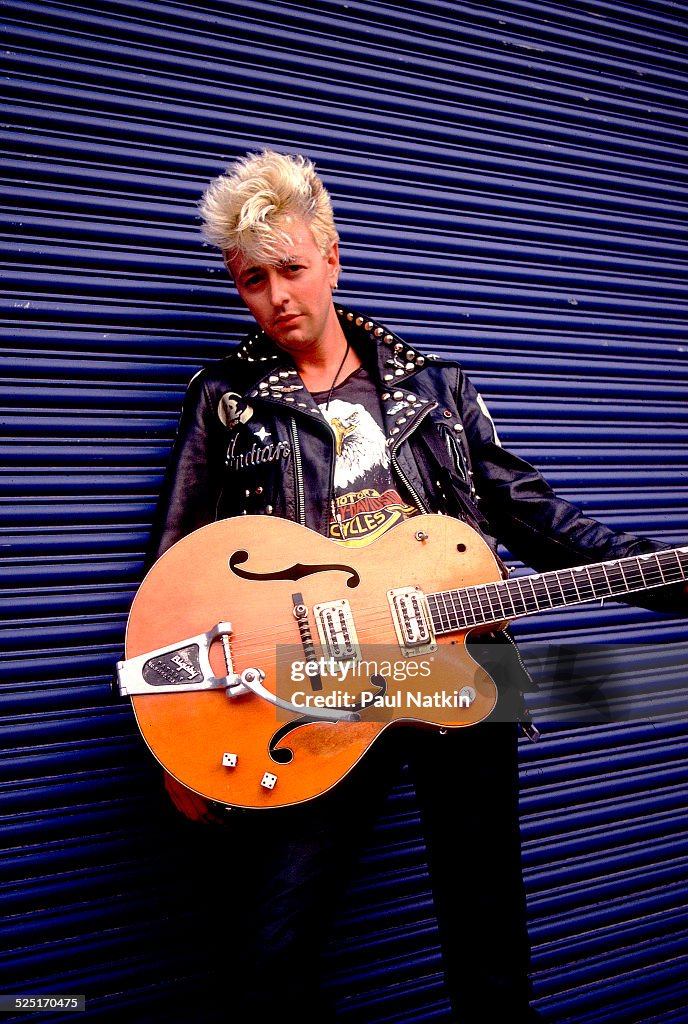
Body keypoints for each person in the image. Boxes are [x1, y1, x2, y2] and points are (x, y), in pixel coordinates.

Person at [145, 149, 686, 1023]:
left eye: (290, 268)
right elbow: (172, 571)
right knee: (270, 955)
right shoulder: (224, 398)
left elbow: (547, 524)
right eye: (252, 280)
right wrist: (170, 738)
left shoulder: (437, 390)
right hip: (313, 685)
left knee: (489, 949)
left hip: (460, 670)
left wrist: (676, 577)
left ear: (330, 254)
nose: (278, 296)